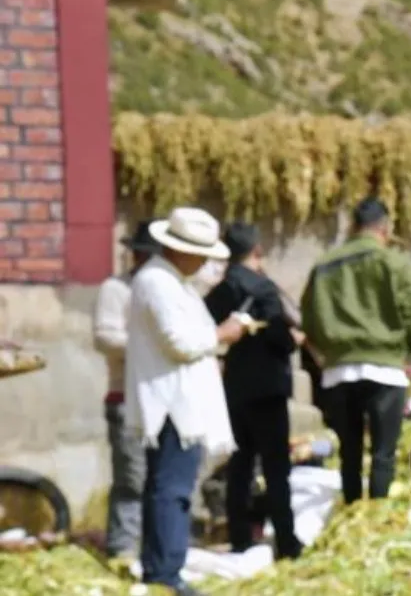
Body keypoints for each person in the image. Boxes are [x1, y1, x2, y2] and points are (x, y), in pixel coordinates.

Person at [126, 206, 248, 595]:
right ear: (181, 250)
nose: (204, 262)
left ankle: (163, 566)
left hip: (180, 403)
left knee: (169, 488)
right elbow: (178, 343)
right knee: (171, 490)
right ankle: (165, 573)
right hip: (171, 406)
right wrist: (224, 334)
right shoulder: (157, 282)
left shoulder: (173, 281)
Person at [300, 197, 411, 503]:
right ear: (385, 228)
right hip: (385, 369)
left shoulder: (325, 264)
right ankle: (375, 518)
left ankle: (352, 507)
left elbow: (309, 318)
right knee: (383, 453)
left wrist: (329, 352)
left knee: (349, 453)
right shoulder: (394, 261)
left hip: (339, 371)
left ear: (354, 226)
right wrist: (401, 349)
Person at [203, 222, 305, 560]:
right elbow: (278, 337)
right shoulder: (263, 289)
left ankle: (240, 537)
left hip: (234, 389)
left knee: (239, 466)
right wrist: (294, 341)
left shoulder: (217, 293)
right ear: (257, 251)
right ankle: (287, 542)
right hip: (268, 389)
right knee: (276, 469)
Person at [92, 220, 161, 560]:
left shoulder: (172, 291)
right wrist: (151, 346)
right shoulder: (116, 289)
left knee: (163, 481)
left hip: (165, 401)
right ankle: (123, 550)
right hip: (127, 397)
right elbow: (105, 337)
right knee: (131, 479)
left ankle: (158, 548)